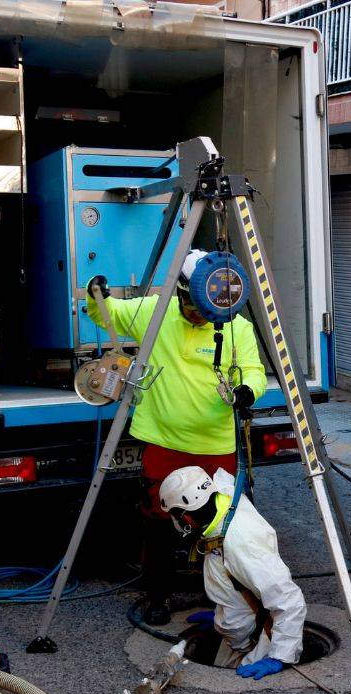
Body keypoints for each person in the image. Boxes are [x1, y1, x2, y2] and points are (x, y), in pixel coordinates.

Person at [86, 250, 266, 625]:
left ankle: (223, 594)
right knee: (158, 521)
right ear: (182, 293)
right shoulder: (155, 312)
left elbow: (253, 370)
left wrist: (248, 390)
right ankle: (157, 595)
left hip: (216, 445)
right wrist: (95, 293)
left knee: (222, 524)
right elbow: (107, 314)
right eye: (197, 308)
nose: (204, 317)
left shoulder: (237, 327)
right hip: (164, 441)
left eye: (212, 312)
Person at [159, 465, 305, 679]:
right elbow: (233, 577)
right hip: (239, 629)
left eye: (175, 515)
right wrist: (224, 614)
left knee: (234, 687)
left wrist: (280, 656)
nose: (175, 522)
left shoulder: (240, 542)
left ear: (187, 518)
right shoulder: (222, 504)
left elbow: (289, 600)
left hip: (259, 635)